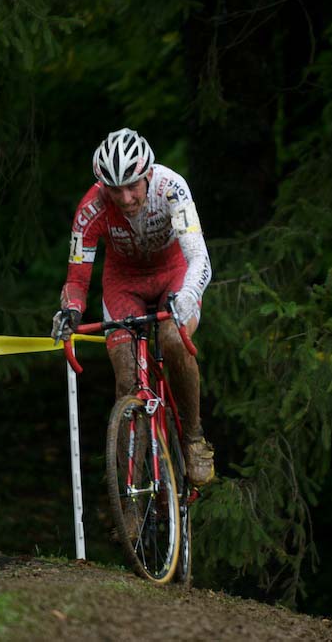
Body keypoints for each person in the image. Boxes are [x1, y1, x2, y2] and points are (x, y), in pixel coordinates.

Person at [50, 128, 216, 485]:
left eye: (132, 186)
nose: (125, 198)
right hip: (124, 282)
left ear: (148, 175)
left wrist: (185, 298)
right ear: (101, 186)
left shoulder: (171, 188)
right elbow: (77, 280)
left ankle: (193, 437)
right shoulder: (91, 208)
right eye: (115, 189)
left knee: (172, 339)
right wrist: (71, 311)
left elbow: (199, 258)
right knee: (126, 380)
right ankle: (131, 496)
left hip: (174, 273)